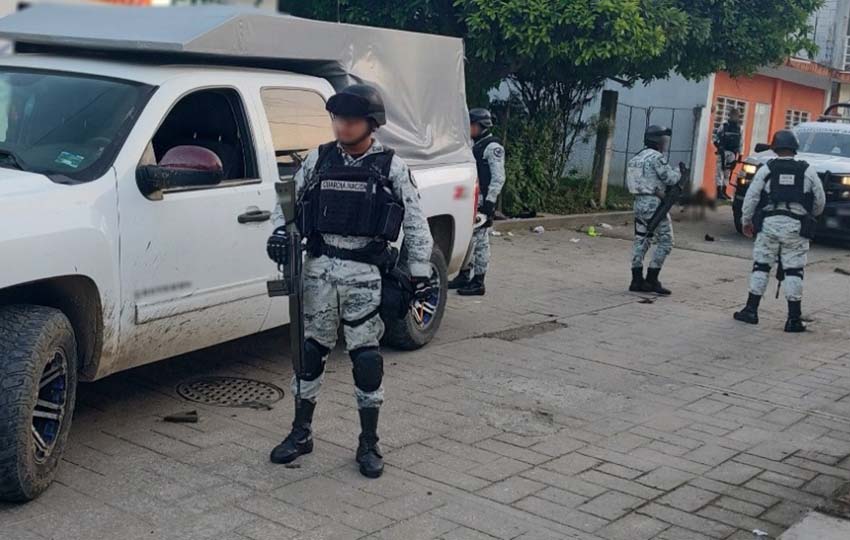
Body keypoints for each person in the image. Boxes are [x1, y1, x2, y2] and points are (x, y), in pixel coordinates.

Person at [266, 84, 434, 478]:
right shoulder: (319, 159)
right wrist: (278, 234)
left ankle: (368, 442)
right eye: (337, 118)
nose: (341, 126)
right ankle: (301, 432)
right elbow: (285, 203)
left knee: (366, 359)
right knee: (309, 354)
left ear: (370, 124)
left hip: (365, 275)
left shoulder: (390, 166)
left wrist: (420, 276)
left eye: (351, 120)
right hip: (319, 271)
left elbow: (415, 224)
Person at [733, 130, 825, 332]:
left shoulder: (768, 168)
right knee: (794, 270)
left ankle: (751, 310)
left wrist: (745, 221)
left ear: (775, 148)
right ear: (794, 148)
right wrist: (809, 215)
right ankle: (793, 319)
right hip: (796, 226)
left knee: (761, 266)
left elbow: (751, 197)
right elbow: (820, 201)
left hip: (769, 225)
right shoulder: (807, 170)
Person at [447, 107, 506, 296]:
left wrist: (489, 203)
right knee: (467, 239)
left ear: (482, 125)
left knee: (480, 242)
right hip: (469, 198)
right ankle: (464, 275)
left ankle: (479, 281)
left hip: (482, 201)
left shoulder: (492, 147)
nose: (468, 128)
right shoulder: (474, 144)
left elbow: (498, 177)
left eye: (471, 125)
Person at [627, 125, 681, 295]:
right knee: (666, 241)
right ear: (658, 141)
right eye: (664, 140)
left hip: (638, 203)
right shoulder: (656, 158)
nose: (665, 143)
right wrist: (680, 171)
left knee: (641, 239)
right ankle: (652, 278)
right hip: (654, 204)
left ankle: (636, 280)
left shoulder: (636, 158)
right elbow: (670, 178)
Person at [713, 108, 743, 200]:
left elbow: (741, 142)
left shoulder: (738, 128)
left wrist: (740, 155)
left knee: (726, 173)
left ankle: (723, 192)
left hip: (730, 153)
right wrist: (719, 147)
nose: (735, 117)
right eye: (734, 115)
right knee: (721, 172)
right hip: (725, 152)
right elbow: (715, 137)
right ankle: (719, 193)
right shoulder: (725, 126)